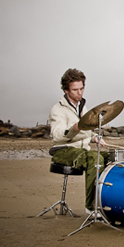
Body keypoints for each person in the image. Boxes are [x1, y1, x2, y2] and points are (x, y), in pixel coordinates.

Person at [49, 68, 109, 214]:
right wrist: (73, 129)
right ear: (66, 90)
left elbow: (86, 131)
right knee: (94, 158)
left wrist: (94, 137)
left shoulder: (82, 107)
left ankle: (109, 201)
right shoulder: (57, 109)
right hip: (62, 150)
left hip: (82, 150)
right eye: (75, 90)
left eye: (82, 88)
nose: (80, 93)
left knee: (111, 157)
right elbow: (57, 135)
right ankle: (91, 207)